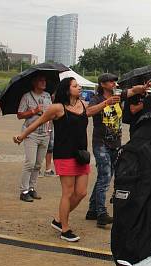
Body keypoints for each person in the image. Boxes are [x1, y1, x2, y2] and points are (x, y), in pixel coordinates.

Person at [14, 78, 117, 242]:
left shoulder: (83, 104)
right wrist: (21, 136)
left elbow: (91, 111)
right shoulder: (57, 108)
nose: (79, 87)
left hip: (81, 154)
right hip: (64, 154)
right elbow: (37, 122)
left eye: (78, 85)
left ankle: (59, 219)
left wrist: (107, 103)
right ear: (67, 90)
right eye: (75, 86)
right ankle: (65, 229)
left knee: (81, 192)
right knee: (68, 193)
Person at [85, 73, 121, 227]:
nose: (113, 83)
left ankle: (92, 210)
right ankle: (101, 213)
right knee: (105, 177)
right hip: (101, 143)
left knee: (104, 176)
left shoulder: (117, 96)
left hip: (115, 142)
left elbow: (131, 92)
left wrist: (144, 87)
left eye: (114, 81)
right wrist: (106, 102)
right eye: (111, 81)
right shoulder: (97, 98)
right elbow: (88, 111)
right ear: (103, 84)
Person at [16, 74, 51, 202]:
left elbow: (51, 111)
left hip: (45, 133)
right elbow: (19, 115)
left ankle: (32, 188)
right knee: (30, 162)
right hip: (31, 133)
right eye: (41, 80)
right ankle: (23, 190)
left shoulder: (47, 96)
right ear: (34, 82)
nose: (44, 82)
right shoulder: (27, 96)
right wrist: (34, 111)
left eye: (44, 80)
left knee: (37, 164)